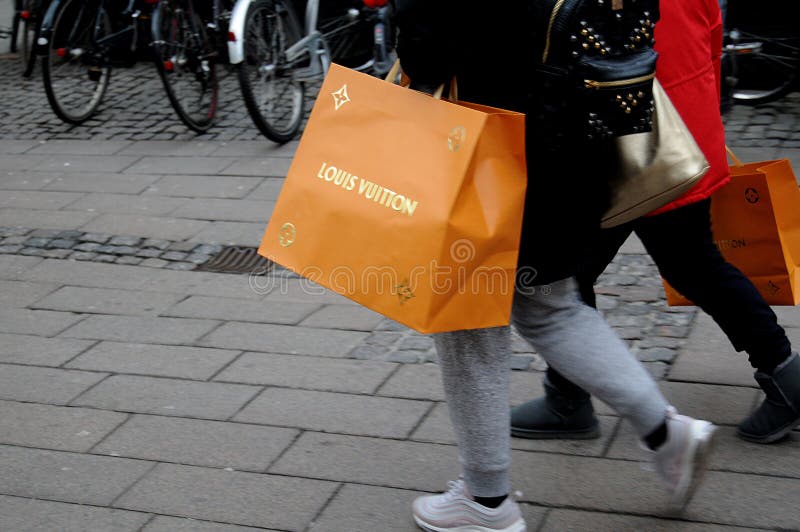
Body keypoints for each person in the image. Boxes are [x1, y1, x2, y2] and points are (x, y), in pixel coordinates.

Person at [393, 2, 717, 531]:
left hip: (493, 144)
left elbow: (426, 51)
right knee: (551, 306)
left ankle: (485, 501)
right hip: (579, 141)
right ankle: (665, 431)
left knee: (466, 317)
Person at [510, 0, 800, 446]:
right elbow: (711, 39)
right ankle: (566, 397)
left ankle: (567, 402)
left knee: (575, 270)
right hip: (681, 132)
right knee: (681, 264)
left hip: (632, 140)